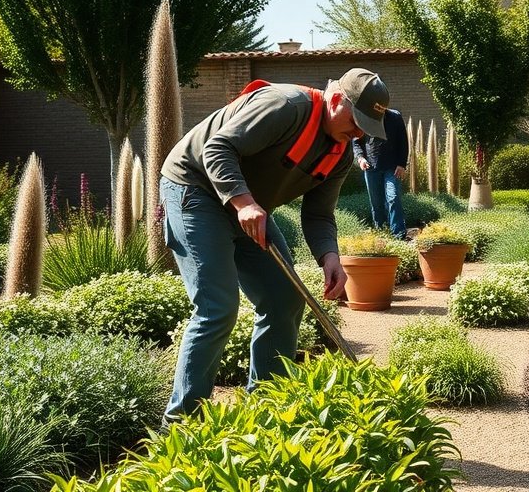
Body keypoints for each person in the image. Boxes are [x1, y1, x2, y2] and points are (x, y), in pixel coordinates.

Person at [159, 67, 389, 422]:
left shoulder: (339, 154)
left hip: (248, 205)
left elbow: (319, 216)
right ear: (337, 98)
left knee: (285, 297)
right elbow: (217, 147)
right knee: (216, 307)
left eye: (366, 128)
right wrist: (243, 202)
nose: (358, 132)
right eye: (356, 120)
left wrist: (330, 256)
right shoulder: (284, 105)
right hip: (196, 189)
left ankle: (266, 410)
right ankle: (181, 426)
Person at [352, 108, 408, 239]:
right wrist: (360, 158)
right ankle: (381, 233)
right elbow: (356, 142)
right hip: (371, 167)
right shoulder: (363, 117)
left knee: (393, 197)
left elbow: (403, 141)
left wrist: (401, 164)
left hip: (392, 167)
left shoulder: (395, 117)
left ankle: (398, 235)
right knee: (376, 203)